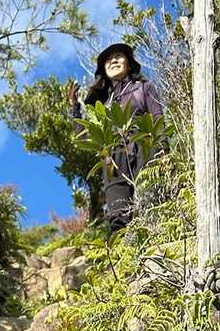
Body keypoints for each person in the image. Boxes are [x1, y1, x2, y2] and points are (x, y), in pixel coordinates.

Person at [67, 42, 163, 231]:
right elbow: (84, 138)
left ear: (129, 63)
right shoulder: (101, 105)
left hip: (143, 146)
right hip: (112, 159)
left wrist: (162, 151)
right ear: (103, 70)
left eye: (118, 56)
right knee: (118, 215)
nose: (113, 61)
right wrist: (75, 108)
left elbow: (158, 119)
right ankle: (124, 249)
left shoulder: (144, 87)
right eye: (108, 60)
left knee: (149, 200)